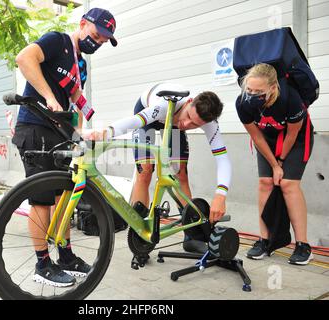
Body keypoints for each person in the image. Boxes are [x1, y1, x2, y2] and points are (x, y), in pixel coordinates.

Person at [12, 8, 117, 287]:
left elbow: (76, 97)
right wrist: (48, 97)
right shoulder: (57, 41)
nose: (99, 42)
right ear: (83, 25)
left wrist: (82, 131)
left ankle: (66, 256)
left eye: (104, 40)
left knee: (65, 197)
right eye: (96, 35)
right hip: (35, 126)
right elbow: (24, 58)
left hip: (60, 130)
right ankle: (42, 263)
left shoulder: (79, 64)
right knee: (42, 199)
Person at [87, 83, 232, 225]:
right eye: (188, 116)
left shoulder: (210, 122)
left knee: (180, 173)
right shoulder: (163, 105)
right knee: (145, 171)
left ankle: (192, 234)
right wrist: (105, 133)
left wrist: (221, 194)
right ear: (189, 102)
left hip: (173, 124)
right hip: (149, 114)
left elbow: (222, 159)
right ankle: (139, 227)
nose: (187, 125)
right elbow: (134, 121)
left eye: (195, 124)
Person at [235, 63, 314, 265]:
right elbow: (257, 138)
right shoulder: (242, 103)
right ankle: (265, 240)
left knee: (288, 184)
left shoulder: (290, 98)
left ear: (273, 87)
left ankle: (303, 245)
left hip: (295, 140)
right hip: (266, 140)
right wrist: (274, 165)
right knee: (265, 182)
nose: (252, 94)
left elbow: (292, 133)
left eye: (258, 91)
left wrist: (280, 163)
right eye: (249, 89)